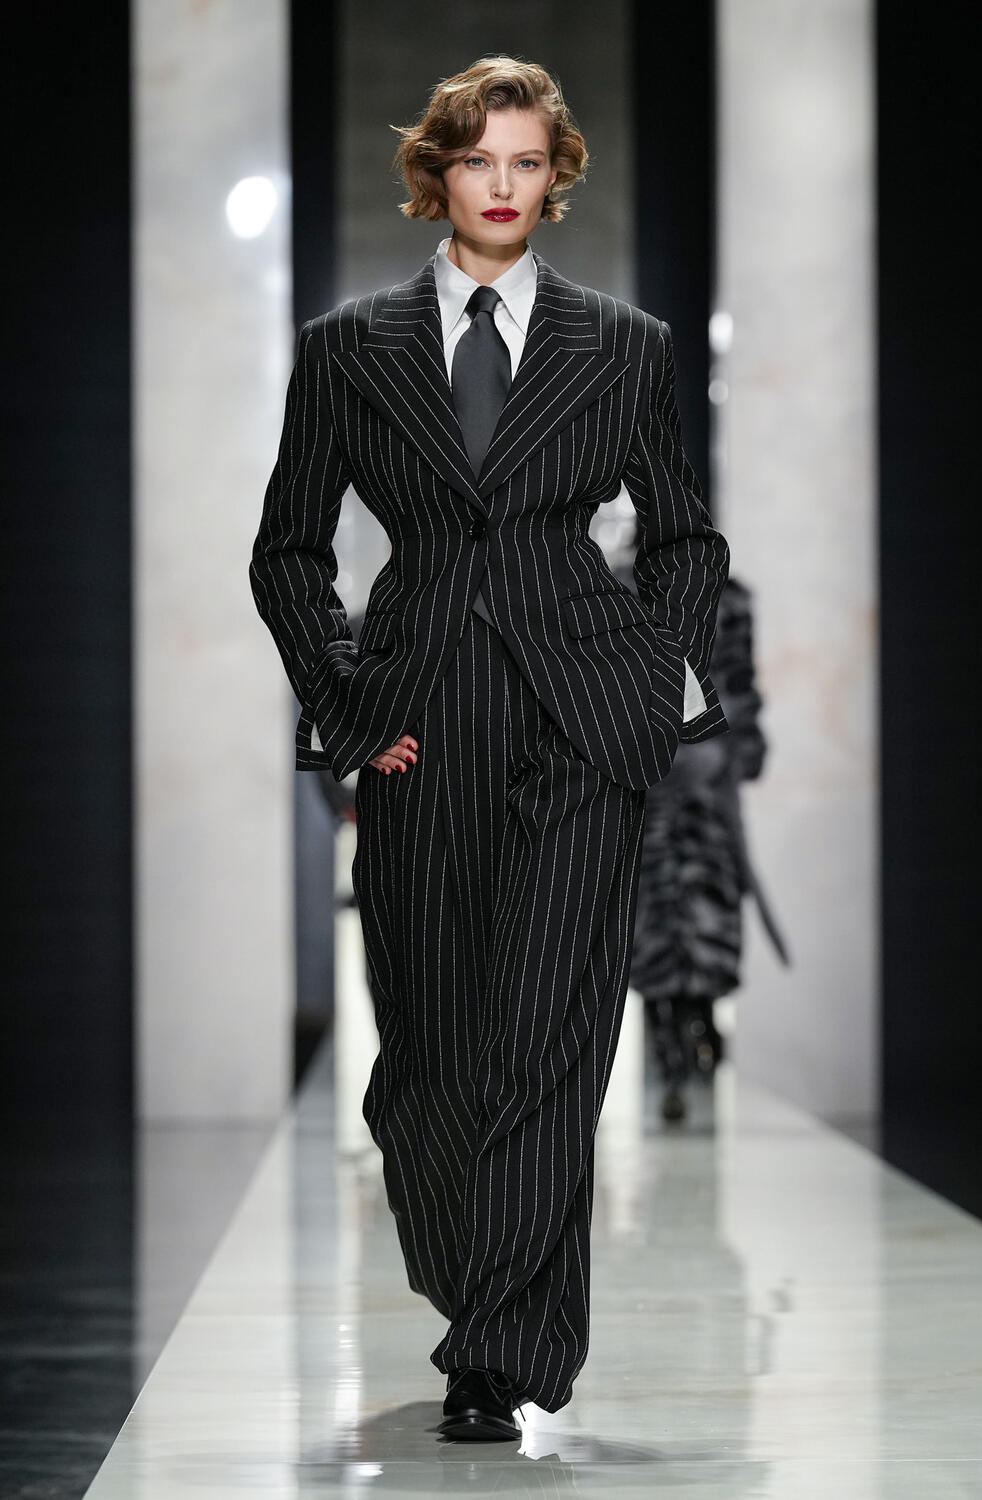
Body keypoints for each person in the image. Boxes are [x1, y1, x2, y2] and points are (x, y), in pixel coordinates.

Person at [249, 55, 731, 1441]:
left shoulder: (622, 343)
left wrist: (646, 683)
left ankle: (500, 1349)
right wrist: (349, 705)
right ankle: (475, 1289)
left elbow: (684, 537)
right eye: (478, 161)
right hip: (418, 723)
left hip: (580, 718)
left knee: (553, 1041)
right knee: (426, 1060)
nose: (503, 186)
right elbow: (288, 551)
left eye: (527, 162)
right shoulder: (350, 347)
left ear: (555, 175)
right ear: (437, 175)